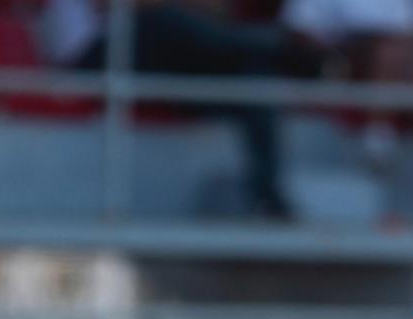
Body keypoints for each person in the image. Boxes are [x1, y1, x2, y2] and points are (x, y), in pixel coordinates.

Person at [49, 0, 320, 218]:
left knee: (255, 79)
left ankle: (268, 198)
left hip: (155, 55)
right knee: (172, 20)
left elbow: (216, 10)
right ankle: (282, 46)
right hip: (91, 58)